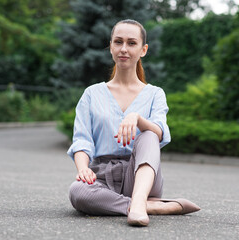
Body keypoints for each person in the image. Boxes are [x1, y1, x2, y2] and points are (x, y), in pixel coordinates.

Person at [67, 19, 200, 227]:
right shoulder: (91, 94)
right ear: (110, 47)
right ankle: (152, 206)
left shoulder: (155, 94)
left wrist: (138, 119)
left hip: (141, 176)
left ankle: (139, 200)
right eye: (118, 42)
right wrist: (83, 168)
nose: (123, 49)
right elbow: (82, 140)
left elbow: (160, 133)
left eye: (131, 43)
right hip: (102, 177)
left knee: (149, 135)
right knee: (77, 192)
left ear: (143, 49)